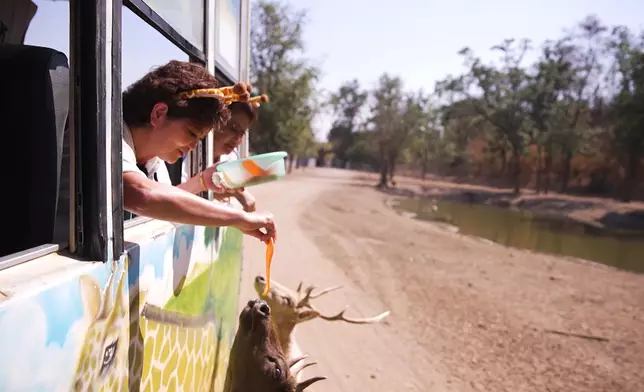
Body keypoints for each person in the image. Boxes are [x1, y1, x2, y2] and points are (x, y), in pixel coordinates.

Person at [121, 60, 275, 242]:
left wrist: (202, 181)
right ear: (159, 114)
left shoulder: (155, 162)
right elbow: (142, 194)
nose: (193, 146)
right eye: (191, 133)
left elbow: (166, 204)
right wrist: (238, 219)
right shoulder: (112, 140)